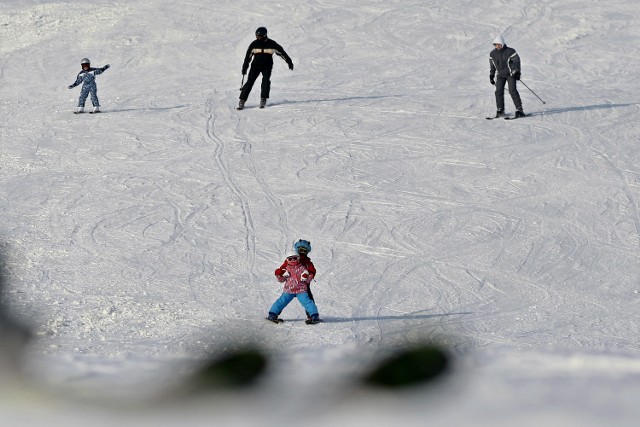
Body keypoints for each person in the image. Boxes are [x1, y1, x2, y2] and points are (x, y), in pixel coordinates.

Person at [238, 27, 293, 110]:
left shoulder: (272, 44)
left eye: (259, 36)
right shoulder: (254, 44)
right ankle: (242, 100)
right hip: (255, 66)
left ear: (264, 35)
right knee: (250, 81)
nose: (257, 38)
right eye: (256, 36)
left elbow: (282, 53)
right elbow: (247, 57)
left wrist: (289, 61)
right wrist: (245, 67)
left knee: (266, 81)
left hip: (267, 66)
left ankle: (263, 99)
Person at [268, 250, 320, 324]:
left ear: (298, 258)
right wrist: (279, 274)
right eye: (290, 259)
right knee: (281, 301)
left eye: (294, 258)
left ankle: (314, 316)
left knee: (307, 302)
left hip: (301, 290)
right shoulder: (286, 269)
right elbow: (281, 280)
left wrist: (307, 277)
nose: (292, 260)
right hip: (289, 290)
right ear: (287, 260)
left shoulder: (302, 268)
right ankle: (272, 314)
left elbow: (307, 280)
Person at [489, 35, 524, 118]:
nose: (497, 46)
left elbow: (516, 61)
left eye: (498, 44)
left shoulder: (510, 51)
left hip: (510, 74)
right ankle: (500, 109)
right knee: (498, 92)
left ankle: (519, 109)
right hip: (500, 75)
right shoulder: (493, 54)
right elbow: (492, 65)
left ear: (502, 43)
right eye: (495, 44)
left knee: (512, 91)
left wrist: (517, 72)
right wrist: (491, 75)